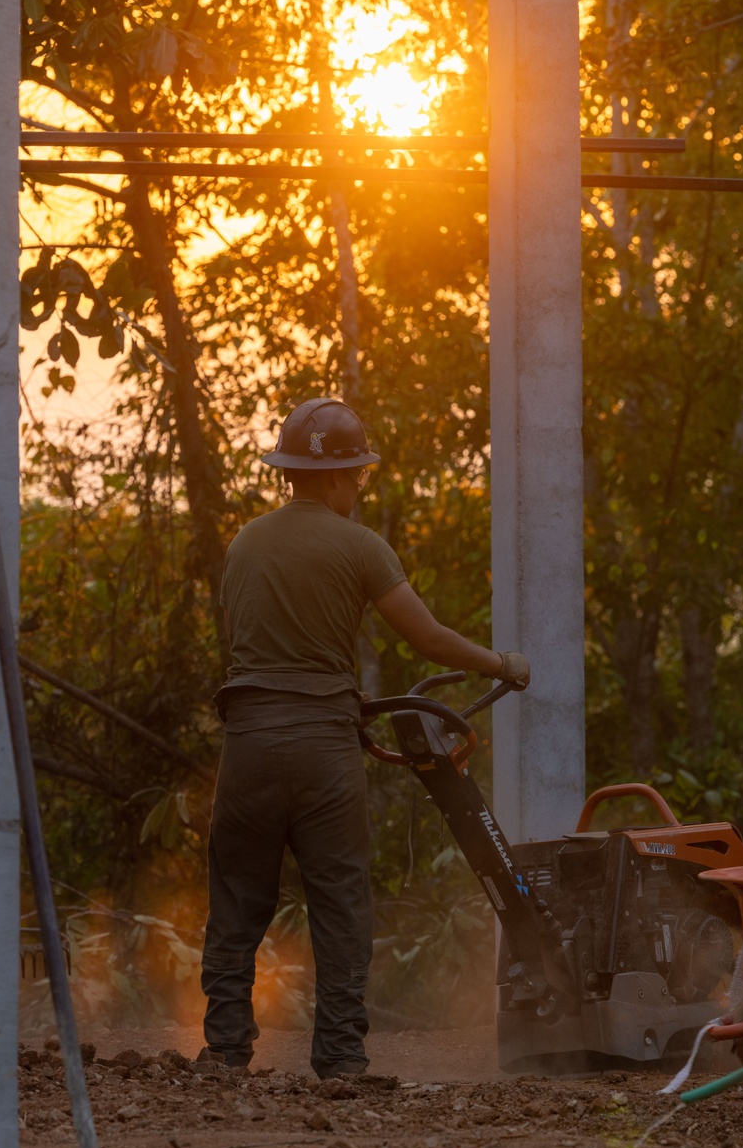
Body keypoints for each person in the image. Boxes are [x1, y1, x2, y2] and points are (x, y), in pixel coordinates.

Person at [200, 396, 530, 1076]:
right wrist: (502, 663)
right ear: (330, 476)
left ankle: (226, 1046)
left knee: (237, 894)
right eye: (356, 475)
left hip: (250, 744)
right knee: (341, 899)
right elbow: (427, 636)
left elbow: (248, 644)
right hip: (323, 748)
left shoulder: (245, 543)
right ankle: (341, 1056)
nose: (359, 486)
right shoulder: (361, 547)